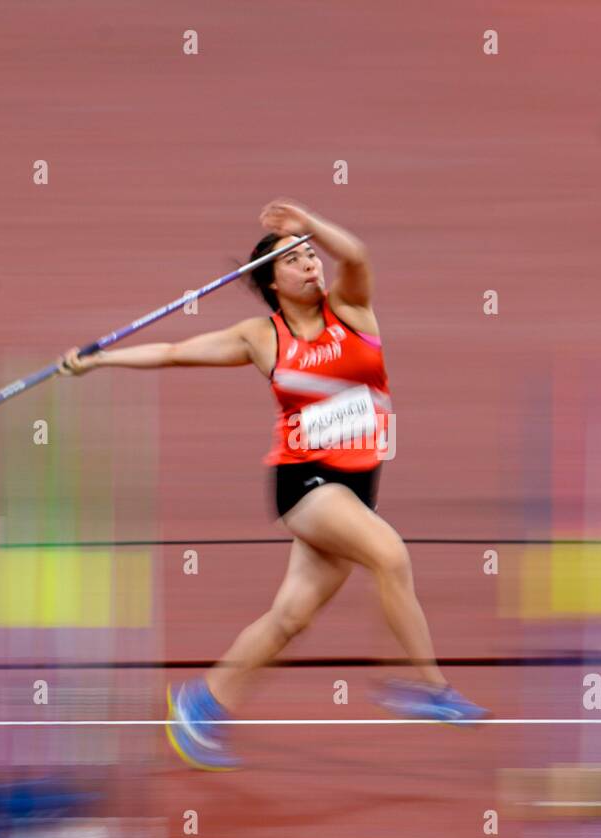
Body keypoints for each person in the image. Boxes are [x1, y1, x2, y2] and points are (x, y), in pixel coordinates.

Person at [59, 199, 488, 770]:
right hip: (306, 484)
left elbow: (355, 253)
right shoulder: (261, 337)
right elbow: (172, 352)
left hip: (358, 487)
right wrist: (100, 362)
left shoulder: (353, 310)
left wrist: (308, 224)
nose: (311, 264)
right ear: (271, 282)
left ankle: (200, 704)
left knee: (291, 618)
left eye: (311, 255)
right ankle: (425, 686)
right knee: (389, 554)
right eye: (296, 259)